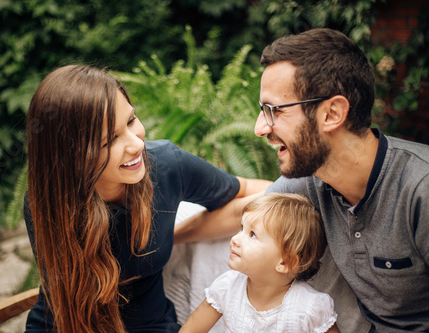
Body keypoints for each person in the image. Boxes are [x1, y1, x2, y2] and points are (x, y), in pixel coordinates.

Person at [23, 64, 271, 332]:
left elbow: (248, 190)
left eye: (131, 121)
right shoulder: (49, 203)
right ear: (71, 157)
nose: (137, 144)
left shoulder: (165, 165)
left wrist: (303, 192)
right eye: (110, 141)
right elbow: (74, 303)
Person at [253, 28, 429, 332]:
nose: (260, 128)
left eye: (274, 111)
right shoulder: (312, 181)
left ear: (332, 113)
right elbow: (248, 210)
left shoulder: (421, 190)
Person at [179, 192, 338, 333]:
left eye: (252, 234)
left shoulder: (309, 308)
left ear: (285, 262)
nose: (235, 239)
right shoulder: (227, 287)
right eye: (241, 228)